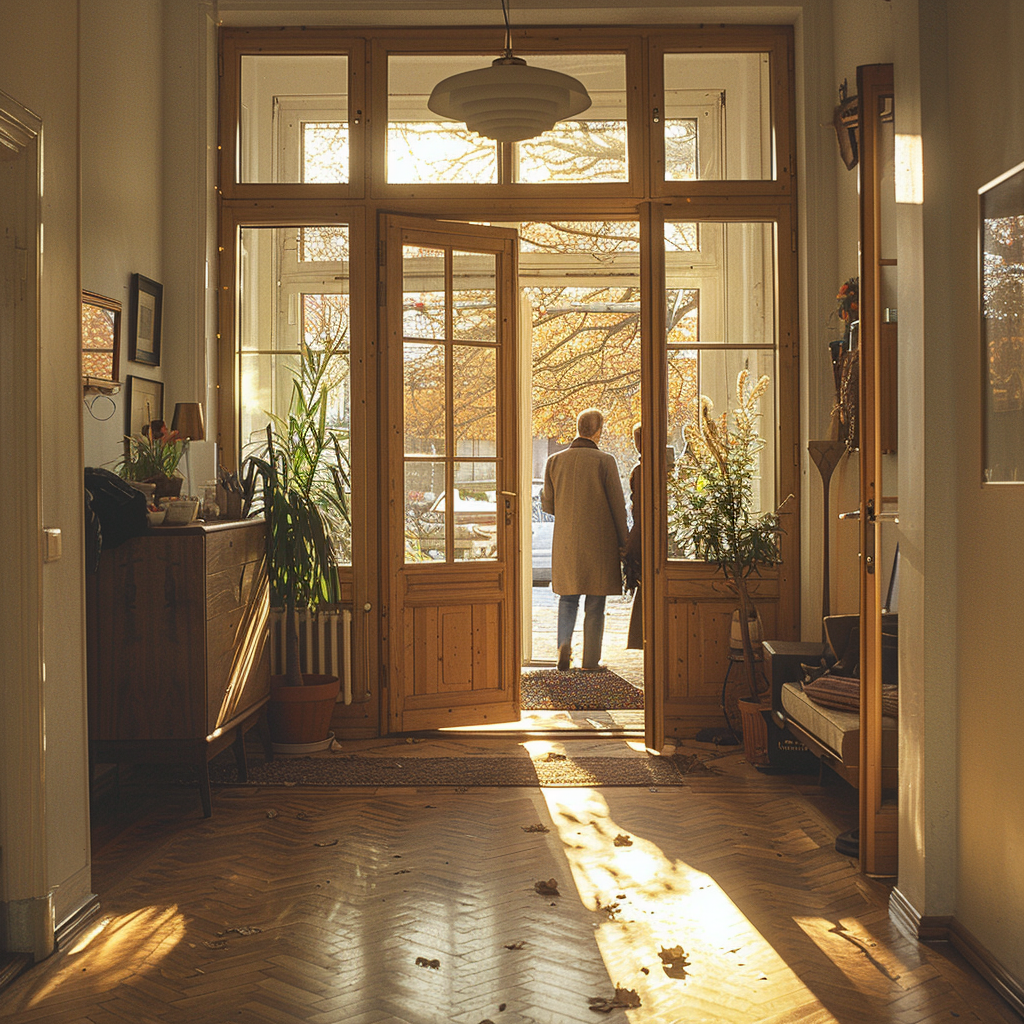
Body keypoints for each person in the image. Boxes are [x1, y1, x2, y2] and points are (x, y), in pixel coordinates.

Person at [541, 408, 629, 672]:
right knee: (595, 602)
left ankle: (563, 648)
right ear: (598, 430)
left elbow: (548, 504)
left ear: (578, 429)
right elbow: (617, 505)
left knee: (567, 600)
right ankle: (590, 660)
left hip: (566, 541)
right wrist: (624, 543)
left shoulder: (554, 461)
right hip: (599, 542)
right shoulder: (605, 461)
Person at [623, 421, 643, 650]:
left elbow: (640, 514)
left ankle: (640, 640)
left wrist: (629, 547)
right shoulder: (647, 470)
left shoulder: (641, 471)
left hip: (643, 537)